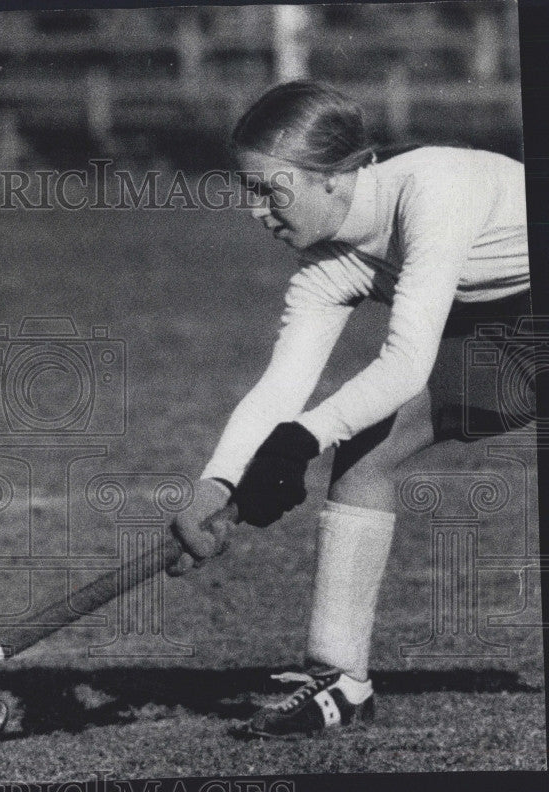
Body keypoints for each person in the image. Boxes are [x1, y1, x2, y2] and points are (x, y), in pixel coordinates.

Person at [171, 81, 531, 738]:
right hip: (508, 331)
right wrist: (216, 481)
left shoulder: (431, 190)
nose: (256, 212)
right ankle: (341, 683)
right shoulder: (329, 263)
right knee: (366, 449)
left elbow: (406, 363)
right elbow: (282, 387)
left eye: (270, 191)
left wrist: (298, 441)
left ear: (336, 178)